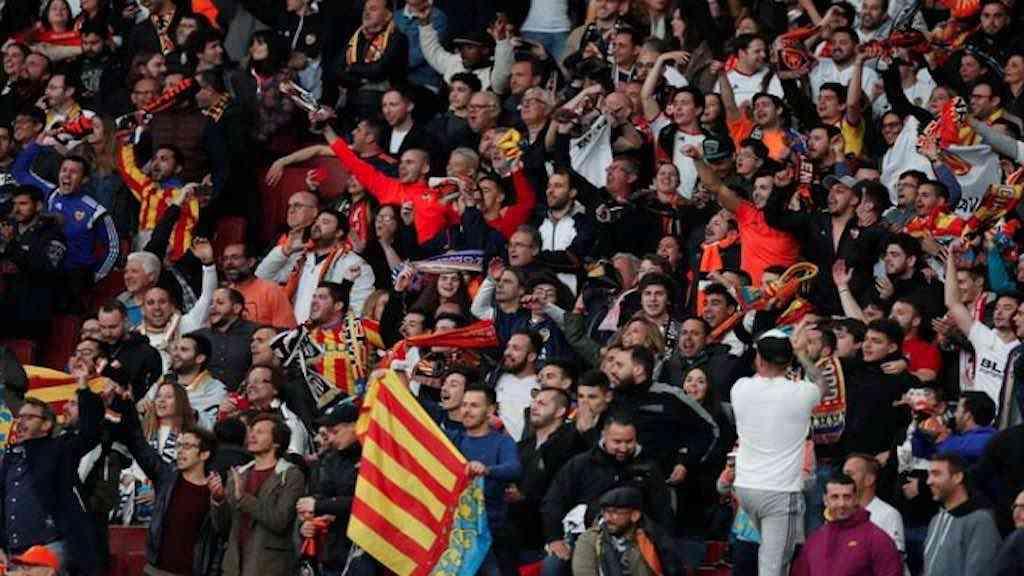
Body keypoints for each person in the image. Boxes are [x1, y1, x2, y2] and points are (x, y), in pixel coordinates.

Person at [731, 329, 825, 575]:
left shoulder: (740, 388)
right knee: (773, 567)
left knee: (769, 560)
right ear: (789, 361)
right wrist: (802, 355)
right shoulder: (803, 392)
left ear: (759, 360)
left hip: (746, 488)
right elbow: (821, 383)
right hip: (781, 492)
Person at [0, 363, 104, 574]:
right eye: (19, 417)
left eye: (29, 417)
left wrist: (83, 387)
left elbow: (90, 431)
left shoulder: (60, 449)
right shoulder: (10, 457)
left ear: (47, 425)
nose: (21, 422)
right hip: (12, 554)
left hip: (49, 548)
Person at [116, 388, 220, 576]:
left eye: (187, 446)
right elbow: (138, 444)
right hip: (155, 571)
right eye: (178, 445)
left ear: (204, 454)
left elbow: (222, 531)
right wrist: (126, 405)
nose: (180, 451)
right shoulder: (167, 478)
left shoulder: (214, 490)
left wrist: (219, 500)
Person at [209, 414, 305, 576]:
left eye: (260, 432)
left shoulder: (291, 475)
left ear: (277, 441)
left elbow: (280, 521)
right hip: (233, 567)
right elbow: (223, 528)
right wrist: (218, 500)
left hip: (268, 568)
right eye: (252, 431)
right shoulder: (239, 473)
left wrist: (243, 498)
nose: (252, 436)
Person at [455, 384, 522, 576]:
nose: (467, 410)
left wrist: (487, 470)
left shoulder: (502, 442)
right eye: (464, 405)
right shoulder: (453, 440)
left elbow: (514, 468)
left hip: (492, 531)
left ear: (490, 410)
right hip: (455, 532)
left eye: (474, 405)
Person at [295, 401, 361, 576]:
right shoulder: (332, 460)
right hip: (334, 552)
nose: (330, 439)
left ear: (355, 426)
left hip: (363, 551)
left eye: (335, 431)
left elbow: (364, 502)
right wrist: (308, 520)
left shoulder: (373, 456)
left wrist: (319, 506)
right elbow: (323, 495)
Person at [791, 473, 902, 576]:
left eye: (847, 497)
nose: (842, 503)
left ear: (856, 499)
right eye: (835, 497)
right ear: (825, 500)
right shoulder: (814, 540)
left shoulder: (877, 539)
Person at [571, 485, 686, 576]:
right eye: (606, 512)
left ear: (635, 515)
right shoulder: (590, 539)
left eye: (615, 512)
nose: (608, 518)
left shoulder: (651, 538)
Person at [923, 453, 1002, 575]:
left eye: (936, 474)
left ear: (957, 477)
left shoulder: (981, 521)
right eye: (929, 475)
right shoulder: (935, 520)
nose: (929, 481)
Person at [193, 287, 259, 391]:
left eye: (220, 303)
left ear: (236, 308)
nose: (213, 307)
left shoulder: (255, 332)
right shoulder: (199, 337)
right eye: (211, 303)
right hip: (202, 396)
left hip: (242, 395)